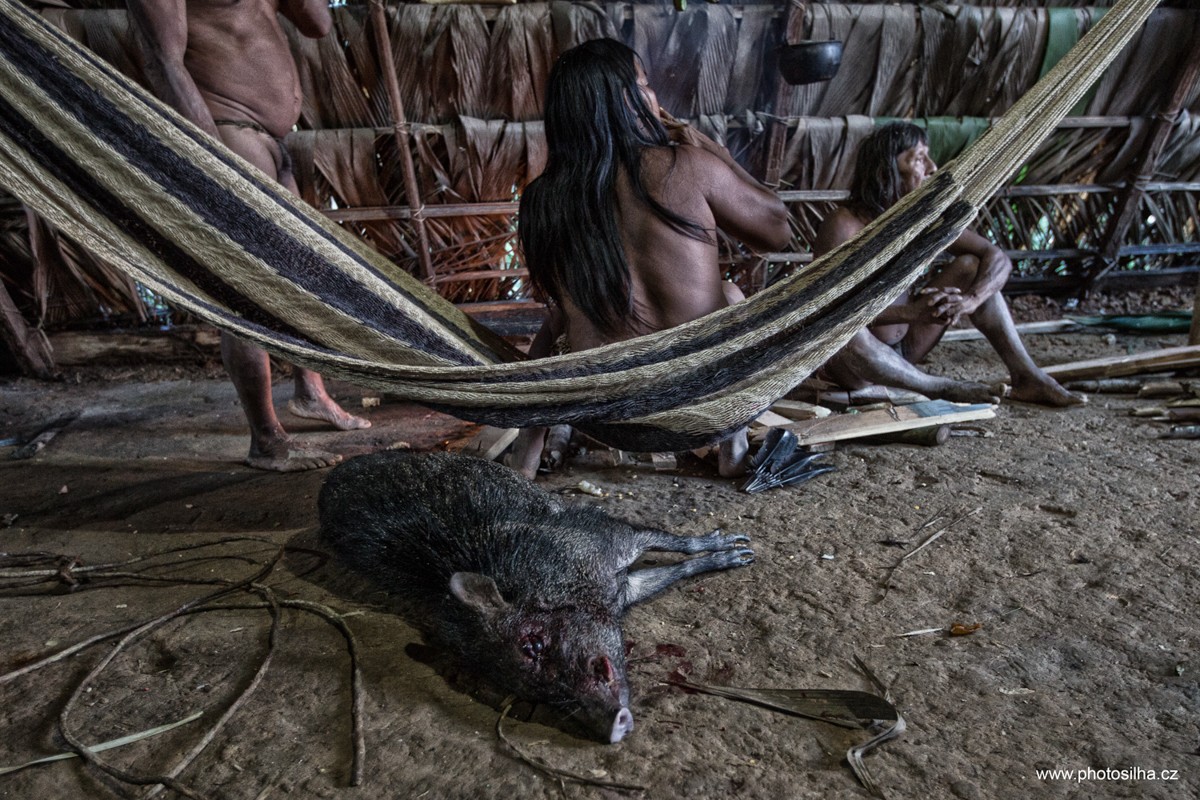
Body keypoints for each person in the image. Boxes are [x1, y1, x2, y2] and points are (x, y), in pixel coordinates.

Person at [509, 38, 791, 479]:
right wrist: (718, 155)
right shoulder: (687, 166)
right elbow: (778, 230)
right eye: (645, 84)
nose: (653, 96)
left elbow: (558, 303)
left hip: (605, 404)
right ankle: (731, 447)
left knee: (560, 316)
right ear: (629, 98)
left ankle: (527, 451)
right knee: (733, 294)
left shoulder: (542, 201)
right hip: (700, 394)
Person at [129, 0, 371, 472]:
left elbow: (318, 23)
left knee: (302, 277)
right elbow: (164, 60)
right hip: (228, 135)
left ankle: (311, 392)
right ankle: (266, 438)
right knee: (248, 292)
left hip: (274, 140)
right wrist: (213, 162)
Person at [812, 122, 1085, 407]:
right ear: (885, 171)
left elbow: (997, 257)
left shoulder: (920, 220)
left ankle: (1027, 376)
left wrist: (969, 301)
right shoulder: (843, 226)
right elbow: (827, 311)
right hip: (854, 363)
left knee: (970, 267)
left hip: (905, 348)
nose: (932, 167)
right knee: (841, 329)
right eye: (918, 158)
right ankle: (938, 387)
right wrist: (912, 312)